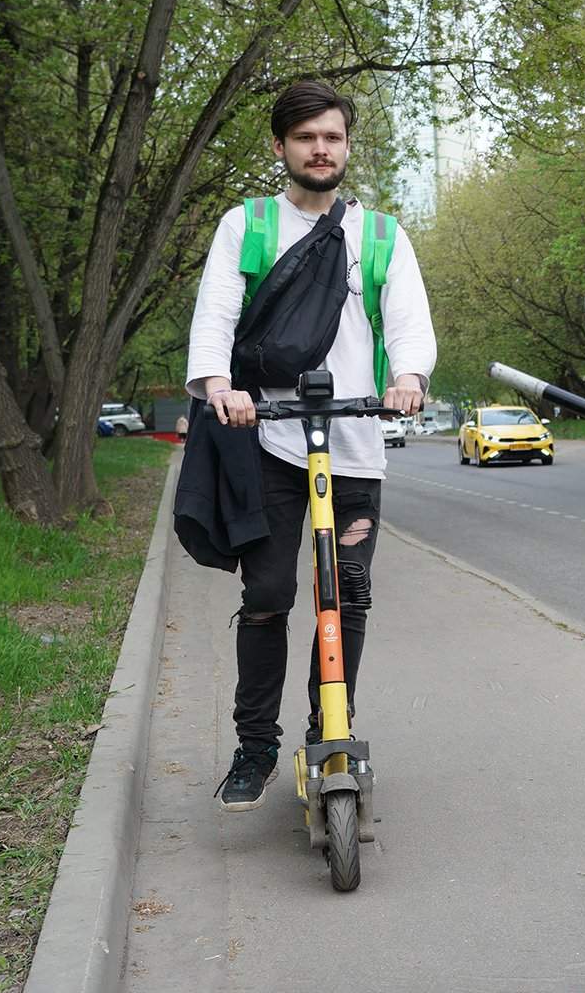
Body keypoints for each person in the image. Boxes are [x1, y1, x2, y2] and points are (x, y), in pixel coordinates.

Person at [184, 80, 435, 811]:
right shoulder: (249, 225)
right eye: (305, 138)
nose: (320, 149)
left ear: (347, 145)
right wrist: (220, 384)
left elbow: (409, 320)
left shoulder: (380, 235)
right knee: (268, 593)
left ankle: (332, 726)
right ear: (281, 148)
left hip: (354, 441)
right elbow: (216, 311)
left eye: (332, 136)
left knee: (345, 595)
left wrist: (411, 376)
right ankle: (255, 744)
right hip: (266, 441)